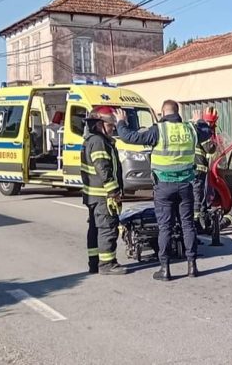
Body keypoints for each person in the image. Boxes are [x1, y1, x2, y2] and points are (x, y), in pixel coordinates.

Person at [115, 101, 211, 281]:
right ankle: (192, 266)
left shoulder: (158, 130)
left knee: (165, 227)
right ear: (178, 112)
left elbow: (130, 137)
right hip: (185, 185)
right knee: (187, 225)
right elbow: (207, 133)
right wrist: (200, 121)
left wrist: (121, 122)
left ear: (162, 113)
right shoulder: (189, 129)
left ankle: (165, 269)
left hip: (164, 186)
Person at [81, 106, 125, 275]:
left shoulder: (91, 139)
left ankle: (94, 263)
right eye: (110, 124)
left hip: (93, 194)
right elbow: (103, 168)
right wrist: (113, 191)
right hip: (102, 195)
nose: (113, 128)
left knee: (95, 228)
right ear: (99, 124)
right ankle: (107, 264)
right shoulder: (98, 142)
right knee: (107, 227)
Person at [193, 107, 219, 230]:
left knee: (197, 196)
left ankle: (198, 221)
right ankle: (197, 223)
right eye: (208, 122)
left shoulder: (195, 128)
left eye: (211, 123)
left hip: (195, 169)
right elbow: (210, 148)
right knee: (198, 197)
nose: (209, 125)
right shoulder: (202, 131)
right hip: (199, 169)